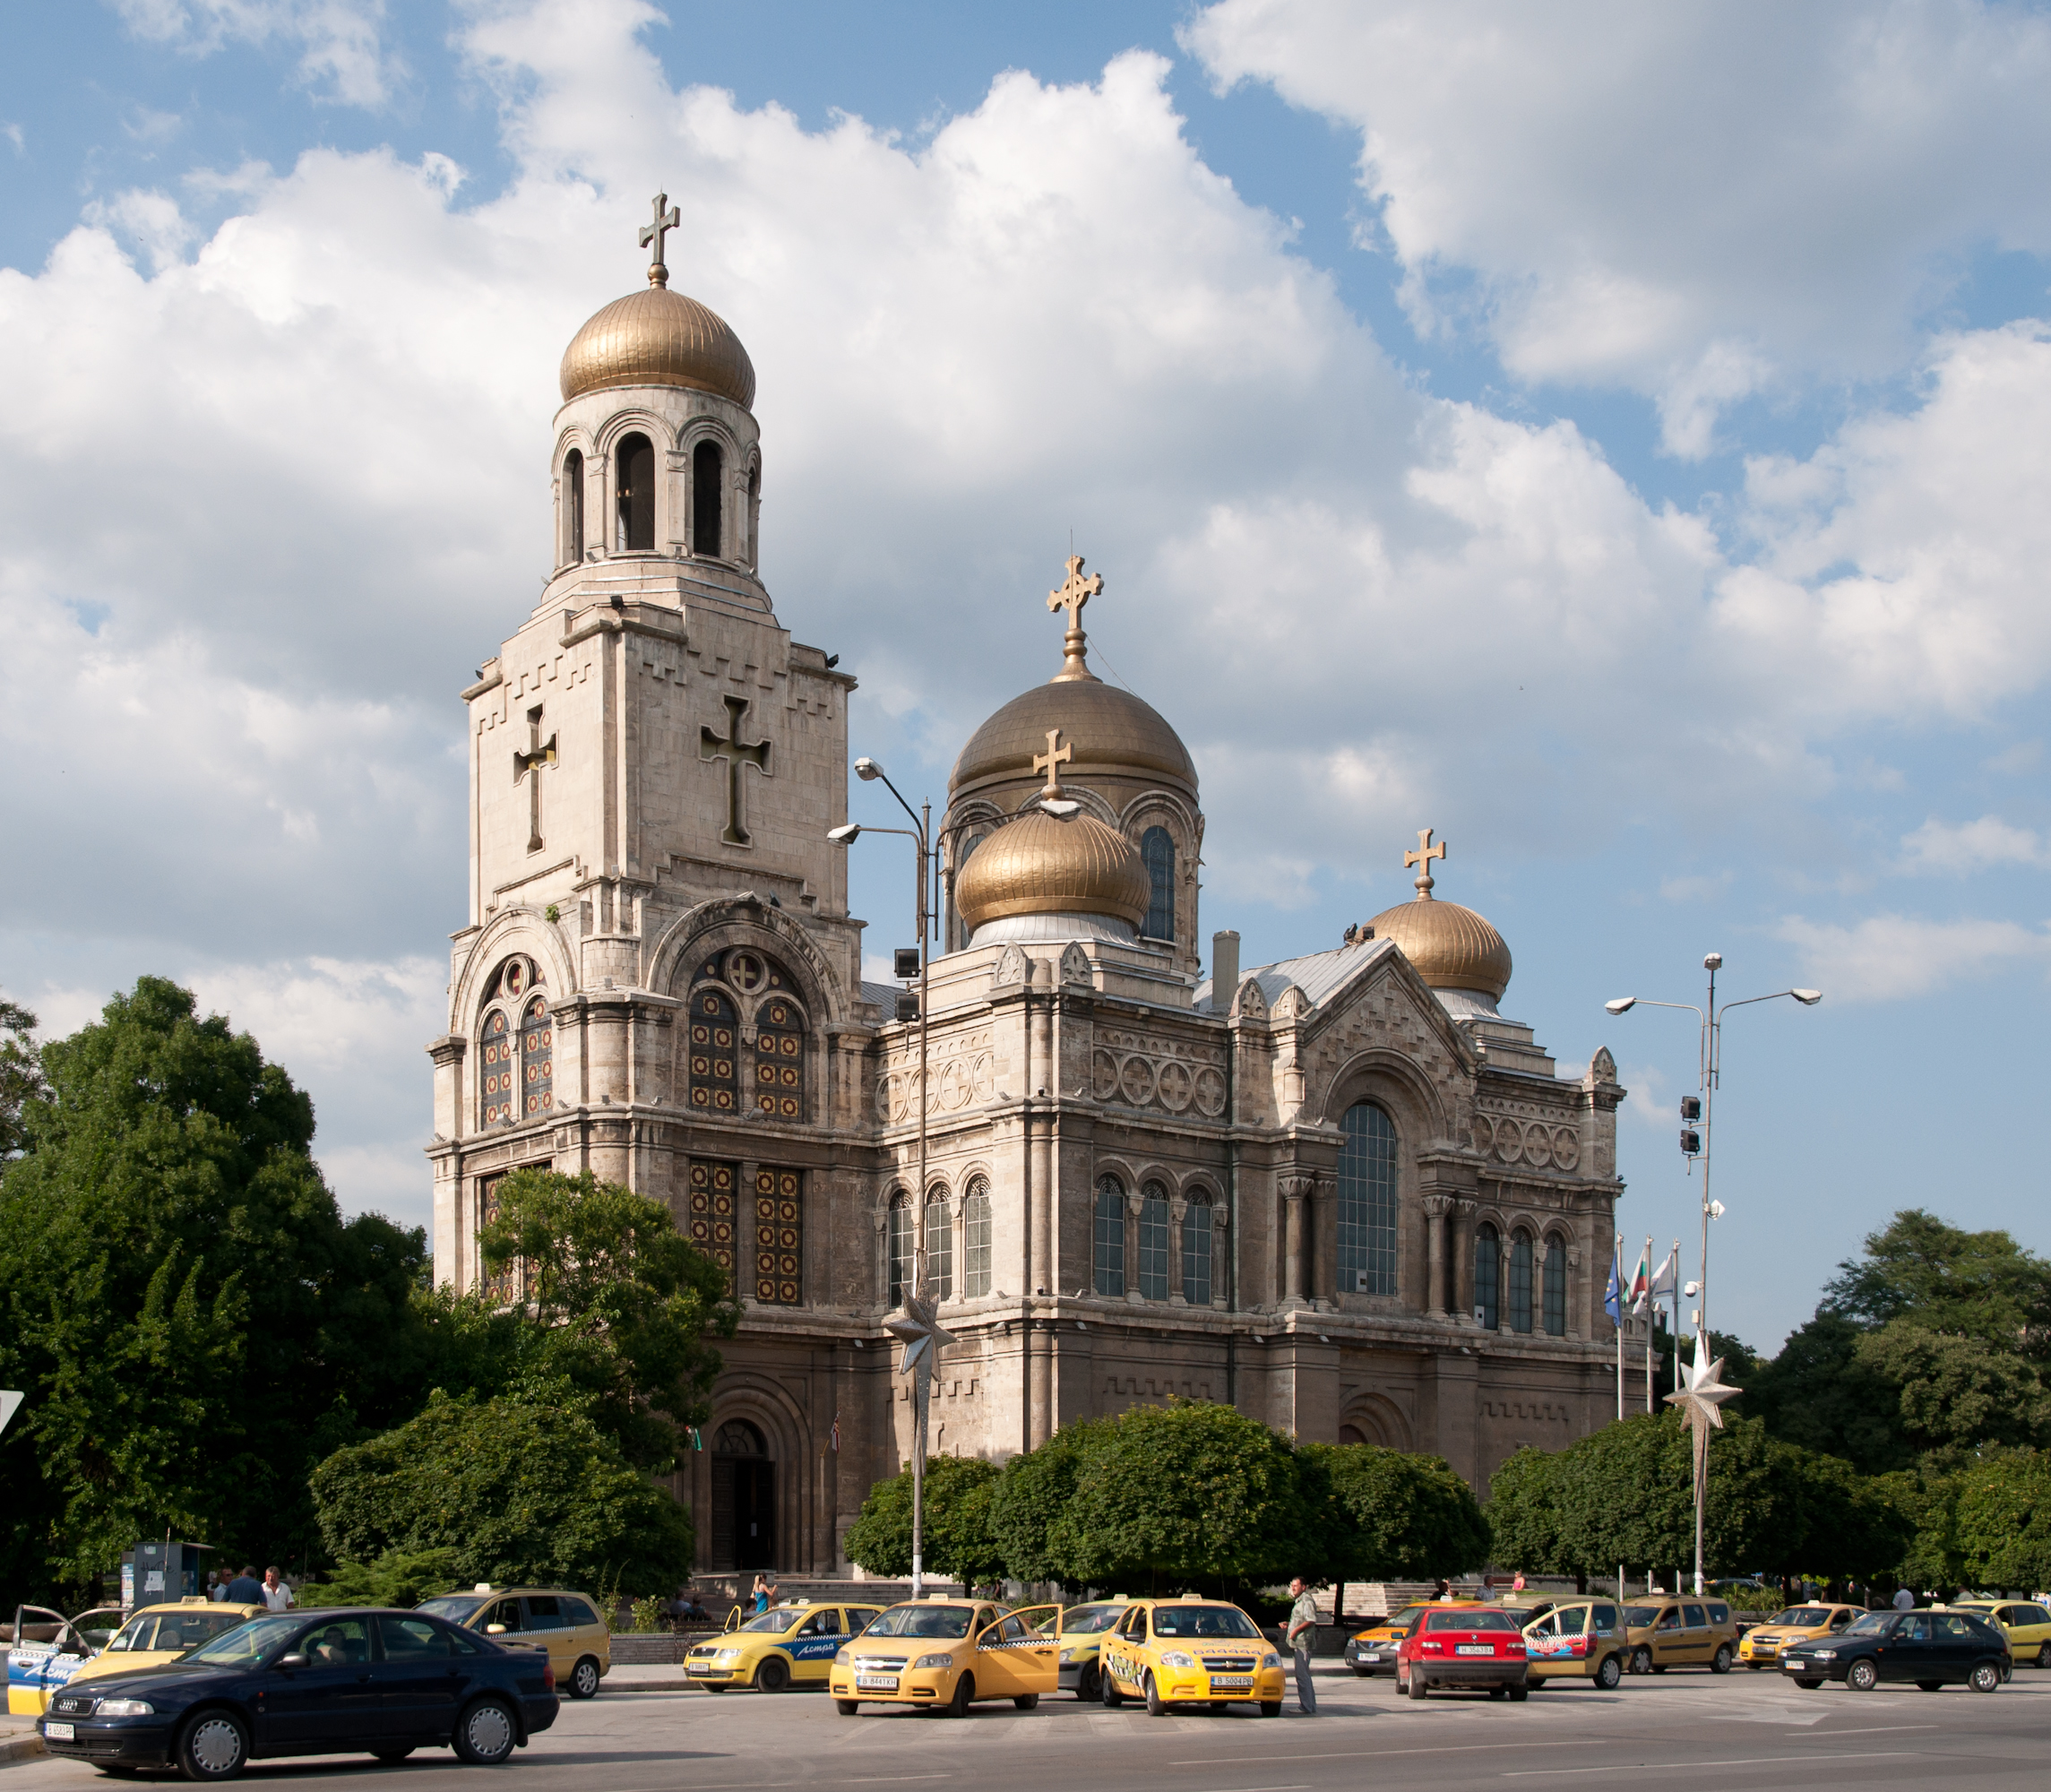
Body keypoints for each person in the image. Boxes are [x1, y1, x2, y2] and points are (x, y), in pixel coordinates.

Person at [1285, 1577, 1320, 1716]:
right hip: (1298, 1643)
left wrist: (1295, 1631)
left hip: (1303, 1644)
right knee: (1304, 1675)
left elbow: (1310, 1620)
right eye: (1292, 1585)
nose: (1293, 1588)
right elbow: (1301, 1620)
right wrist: (1288, 1626)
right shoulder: (1299, 1602)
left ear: (1304, 1587)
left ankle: (1306, 1706)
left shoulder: (1306, 1601)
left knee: (1302, 1676)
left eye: (1296, 1586)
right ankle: (1310, 1705)